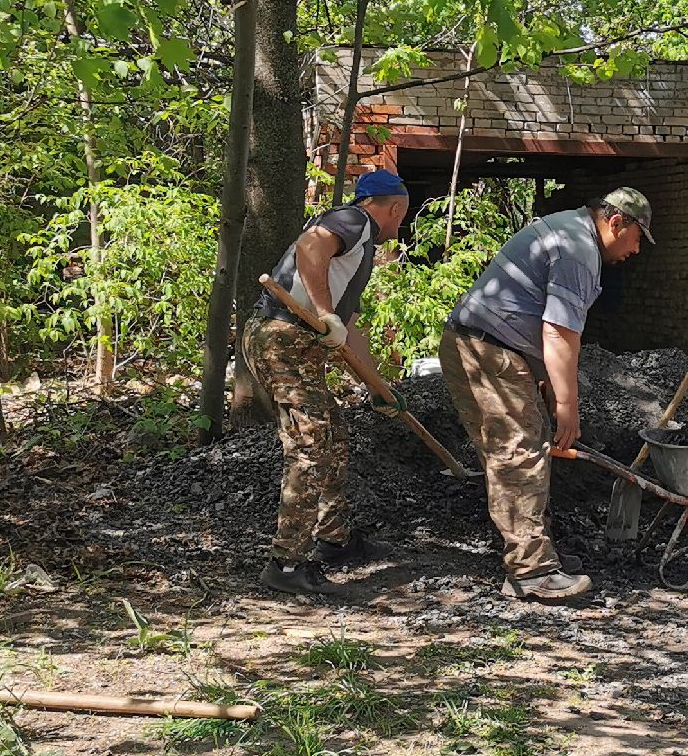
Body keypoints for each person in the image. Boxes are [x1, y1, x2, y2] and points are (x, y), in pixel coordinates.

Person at [440, 187, 653, 601]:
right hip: (490, 349)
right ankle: (532, 572)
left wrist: (544, 384)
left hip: (474, 343)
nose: (637, 250)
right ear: (616, 222)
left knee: (512, 454)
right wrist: (566, 404)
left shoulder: (565, 228)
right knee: (520, 454)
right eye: (638, 237)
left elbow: (533, 318)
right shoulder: (578, 249)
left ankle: (531, 555)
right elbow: (558, 332)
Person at [242, 168, 411, 595]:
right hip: (282, 336)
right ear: (395, 207)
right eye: (402, 216)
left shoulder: (360, 248)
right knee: (311, 444)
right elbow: (308, 246)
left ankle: (334, 541)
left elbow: (349, 331)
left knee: (332, 436)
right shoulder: (354, 221)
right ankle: (285, 566)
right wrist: (324, 312)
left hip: (297, 344)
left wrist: (379, 389)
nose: (400, 224)